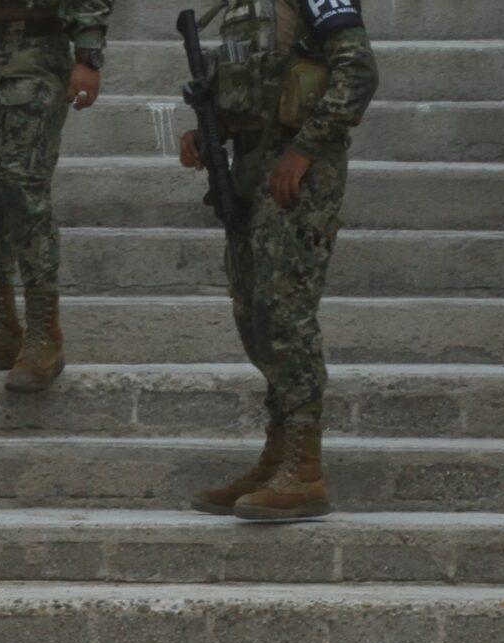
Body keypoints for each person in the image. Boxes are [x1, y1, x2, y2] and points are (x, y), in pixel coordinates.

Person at [181, 0, 377, 522]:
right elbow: (249, 87)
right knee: (254, 314)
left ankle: (304, 469)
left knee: (284, 313)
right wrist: (208, 132)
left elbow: (358, 72)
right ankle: (276, 458)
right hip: (249, 169)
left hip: (298, 172)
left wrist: (305, 150)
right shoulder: (237, 8)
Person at [0, 1, 110, 393]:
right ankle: (0, 326)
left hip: (32, 43)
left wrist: (88, 52)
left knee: (22, 187)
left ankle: (44, 334)